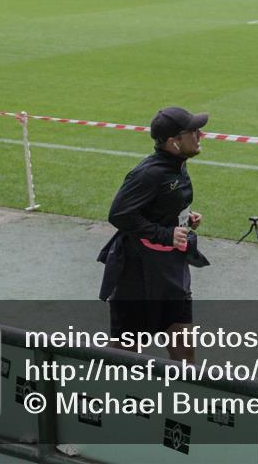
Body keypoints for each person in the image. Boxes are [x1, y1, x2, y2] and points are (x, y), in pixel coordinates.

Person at [96, 106, 210, 362]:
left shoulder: (177, 165)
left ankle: (184, 400)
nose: (201, 135)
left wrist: (183, 219)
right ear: (174, 142)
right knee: (125, 354)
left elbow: (159, 204)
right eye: (193, 131)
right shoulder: (149, 173)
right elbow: (119, 214)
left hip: (171, 270)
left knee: (184, 351)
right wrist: (164, 233)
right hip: (137, 272)